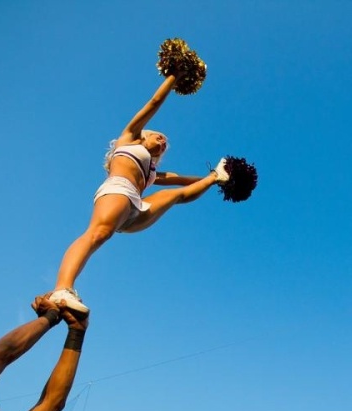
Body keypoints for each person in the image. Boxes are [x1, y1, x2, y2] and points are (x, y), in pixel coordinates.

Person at [49, 69, 229, 313]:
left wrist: (216, 179)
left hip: (137, 208)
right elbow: (154, 102)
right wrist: (174, 75)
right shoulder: (129, 139)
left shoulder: (152, 172)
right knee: (98, 234)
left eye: (166, 144)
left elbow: (183, 180)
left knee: (176, 195)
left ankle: (217, 176)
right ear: (145, 136)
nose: (163, 142)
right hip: (117, 192)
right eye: (159, 136)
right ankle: (62, 289)